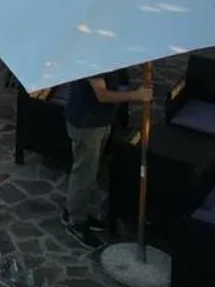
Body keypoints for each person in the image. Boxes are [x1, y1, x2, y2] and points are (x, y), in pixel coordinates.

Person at [62, 69, 152, 247]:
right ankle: (76, 221)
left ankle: (73, 210)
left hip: (98, 121)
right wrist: (137, 95)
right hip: (87, 124)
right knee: (84, 174)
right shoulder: (91, 55)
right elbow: (102, 95)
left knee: (90, 170)